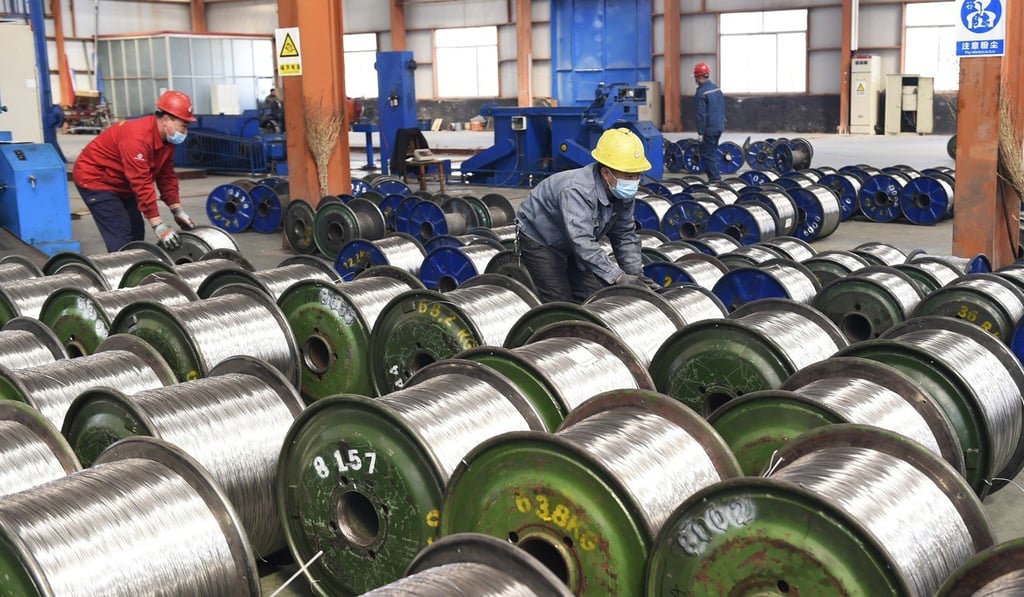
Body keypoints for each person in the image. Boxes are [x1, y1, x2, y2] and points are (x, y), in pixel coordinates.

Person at [515, 127, 660, 304]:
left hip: (572, 238)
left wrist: (635, 276)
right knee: (561, 300)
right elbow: (582, 243)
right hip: (541, 239)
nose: (634, 182)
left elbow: (624, 236)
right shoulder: (577, 191)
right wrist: (619, 277)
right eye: (629, 176)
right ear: (606, 173)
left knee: (596, 298)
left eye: (637, 175)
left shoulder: (622, 193)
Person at [72, 90, 197, 252]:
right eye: (183, 126)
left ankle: (133, 267)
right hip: (96, 179)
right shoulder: (137, 137)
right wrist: (158, 225)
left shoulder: (167, 140)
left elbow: (166, 176)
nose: (185, 133)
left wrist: (177, 210)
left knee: (136, 230)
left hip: (122, 181)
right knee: (121, 235)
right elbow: (141, 182)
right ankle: (119, 272)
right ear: (166, 119)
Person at [693, 62, 726, 181]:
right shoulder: (716, 88)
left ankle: (715, 180)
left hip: (709, 129)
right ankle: (715, 178)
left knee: (708, 154)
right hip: (719, 126)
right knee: (712, 152)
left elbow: (701, 115)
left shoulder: (701, 92)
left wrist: (701, 133)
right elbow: (722, 107)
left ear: (698, 77)